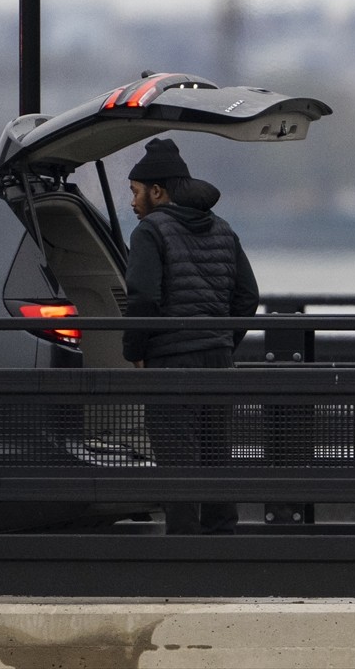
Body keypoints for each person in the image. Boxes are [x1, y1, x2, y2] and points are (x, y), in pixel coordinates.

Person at [122, 137, 260, 534]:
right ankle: (221, 541)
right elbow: (248, 296)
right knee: (216, 454)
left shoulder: (150, 231)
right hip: (217, 360)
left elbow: (144, 297)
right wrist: (222, 340)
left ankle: (183, 548)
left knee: (177, 460)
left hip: (170, 362)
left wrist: (135, 351)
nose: (132, 202)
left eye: (135, 191)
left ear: (157, 191)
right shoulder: (223, 228)